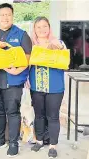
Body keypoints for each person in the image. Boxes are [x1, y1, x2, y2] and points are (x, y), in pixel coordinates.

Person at [0, 3, 32, 157]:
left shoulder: (21, 34)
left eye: (8, 14)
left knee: (12, 111)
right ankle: (0, 139)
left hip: (13, 81)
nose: (5, 17)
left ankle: (14, 143)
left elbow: (28, 58)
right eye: (2, 14)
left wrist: (17, 70)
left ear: (12, 16)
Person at [28, 16, 67, 159]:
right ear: (34, 30)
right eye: (38, 27)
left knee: (53, 116)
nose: (42, 29)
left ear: (49, 28)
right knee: (39, 115)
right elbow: (26, 64)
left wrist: (60, 47)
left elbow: (66, 60)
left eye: (45, 26)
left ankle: (53, 145)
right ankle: (39, 140)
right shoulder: (31, 45)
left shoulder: (58, 42)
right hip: (36, 86)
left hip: (55, 88)